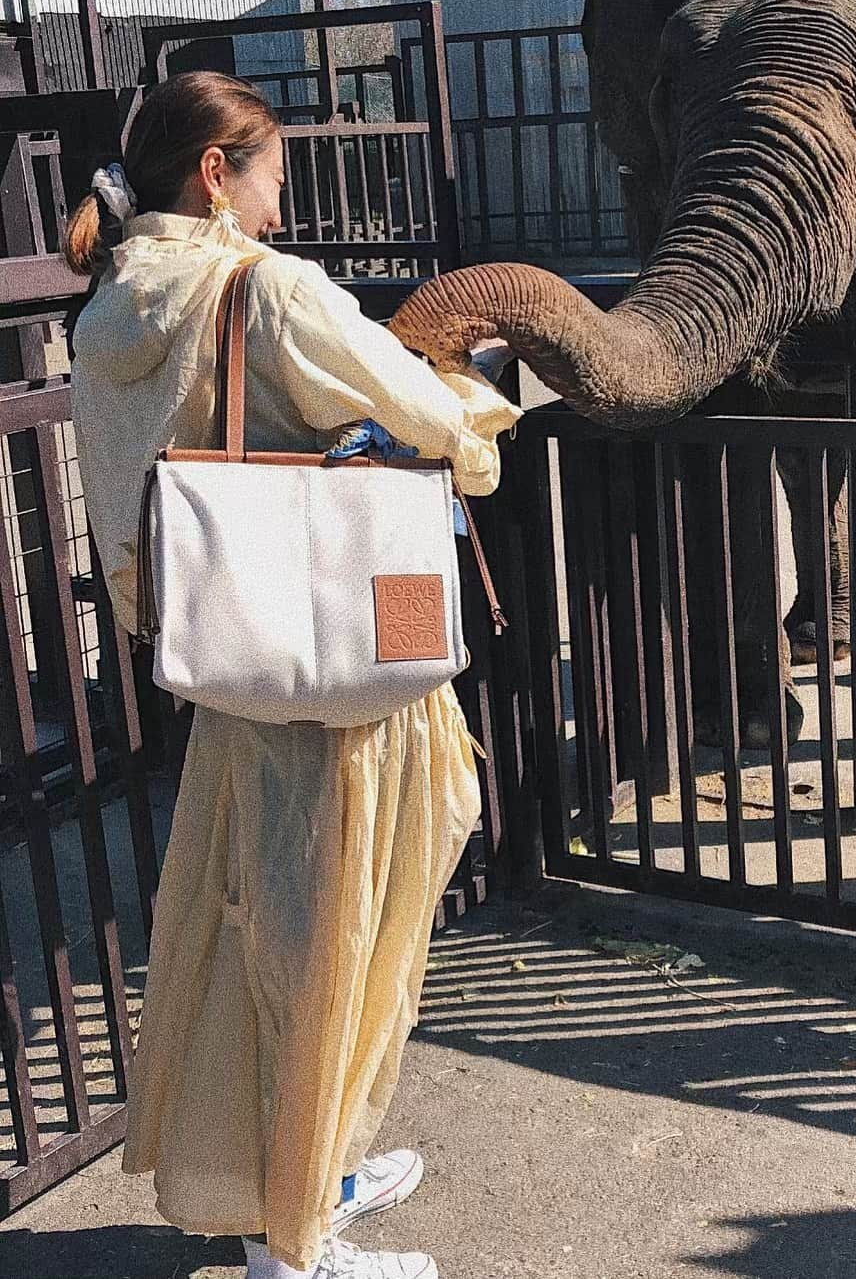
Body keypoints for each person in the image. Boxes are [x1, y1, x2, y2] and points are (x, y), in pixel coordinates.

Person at [64, 71, 522, 1279]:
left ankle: (297, 1177)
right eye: (271, 176)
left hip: (228, 668)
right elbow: (431, 422)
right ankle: (295, 1245)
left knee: (252, 931)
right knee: (338, 940)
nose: (280, 204)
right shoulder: (264, 292)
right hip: (343, 678)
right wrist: (468, 405)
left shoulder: (109, 305)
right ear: (216, 172)